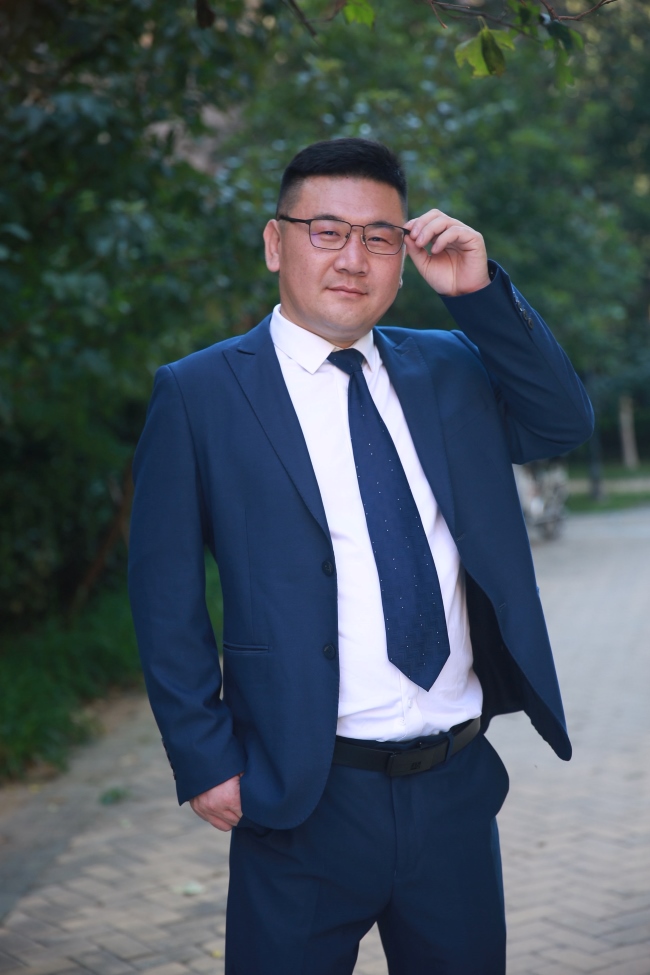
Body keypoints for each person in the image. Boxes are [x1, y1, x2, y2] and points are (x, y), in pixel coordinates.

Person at [128, 138, 593, 975]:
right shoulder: (199, 393)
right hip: (301, 796)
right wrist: (203, 754)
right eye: (327, 231)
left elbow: (561, 421)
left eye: (380, 237)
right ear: (276, 243)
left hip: (452, 787)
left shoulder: (449, 367)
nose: (353, 258)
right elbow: (165, 595)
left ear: (404, 258)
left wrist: (479, 295)